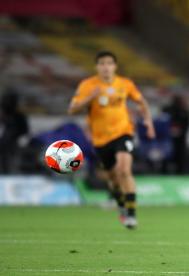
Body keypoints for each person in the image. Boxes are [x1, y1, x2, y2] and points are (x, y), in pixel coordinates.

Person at [68, 51, 155, 229]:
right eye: (102, 63)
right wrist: (91, 97)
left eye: (109, 63)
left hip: (124, 132)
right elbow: (72, 109)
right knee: (113, 178)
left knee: (124, 170)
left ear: (115, 66)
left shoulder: (125, 84)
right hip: (100, 139)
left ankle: (131, 214)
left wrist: (148, 121)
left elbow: (142, 102)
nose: (106, 67)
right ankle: (121, 204)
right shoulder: (88, 85)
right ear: (97, 67)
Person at [0, 90, 29, 173]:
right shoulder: (3, 116)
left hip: (12, 145)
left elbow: (24, 131)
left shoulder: (19, 117)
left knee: (10, 164)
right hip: (7, 144)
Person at [162, 95, 189, 174]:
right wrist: (169, 130)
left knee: (180, 156)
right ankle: (164, 172)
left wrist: (180, 131)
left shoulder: (185, 112)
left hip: (180, 138)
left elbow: (187, 125)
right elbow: (162, 122)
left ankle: (180, 172)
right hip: (167, 138)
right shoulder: (167, 110)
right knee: (167, 156)